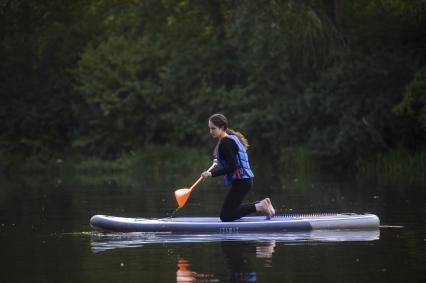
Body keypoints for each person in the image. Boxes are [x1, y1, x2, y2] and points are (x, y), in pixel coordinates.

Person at [201, 113, 275, 222]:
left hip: (242, 182)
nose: (211, 131)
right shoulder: (231, 139)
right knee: (230, 211)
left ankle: (259, 206)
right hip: (244, 181)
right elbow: (233, 161)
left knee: (226, 216)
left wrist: (211, 174)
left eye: (213, 128)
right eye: (210, 128)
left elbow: (232, 167)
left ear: (221, 128)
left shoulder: (226, 143)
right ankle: (263, 204)